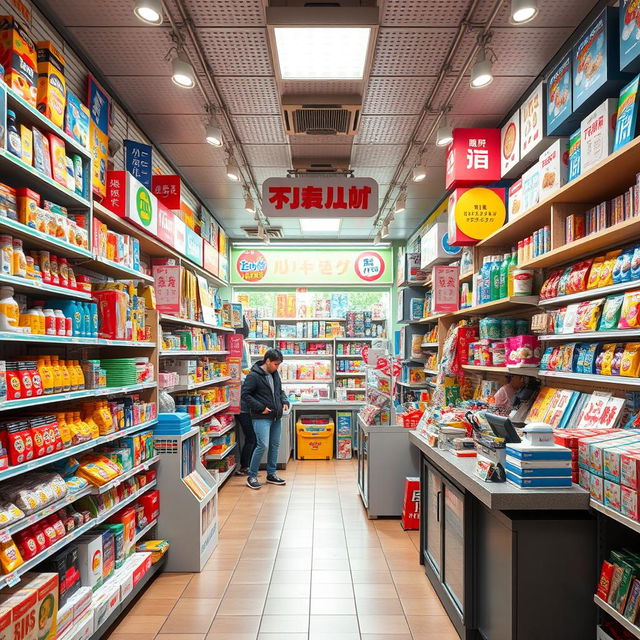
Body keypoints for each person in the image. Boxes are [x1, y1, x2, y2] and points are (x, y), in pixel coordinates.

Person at [241, 348, 289, 489]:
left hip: (276, 417)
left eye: (279, 364)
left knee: (274, 445)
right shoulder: (253, 376)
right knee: (263, 445)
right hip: (261, 417)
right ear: (267, 361)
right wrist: (260, 407)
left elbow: (280, 391)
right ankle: (252, 475)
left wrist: (285, 401)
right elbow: (245, 395)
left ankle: (271, 474)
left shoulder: (275, 374)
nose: (277, 367)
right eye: (275, 364)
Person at [237, 318, 256, 475]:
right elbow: (245, 371)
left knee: (248, 436)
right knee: (251, 437)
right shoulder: (242, 344)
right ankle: (245, 466)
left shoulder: (240, 344)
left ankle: (245, 465)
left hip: (235, 402)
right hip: (242, 405)